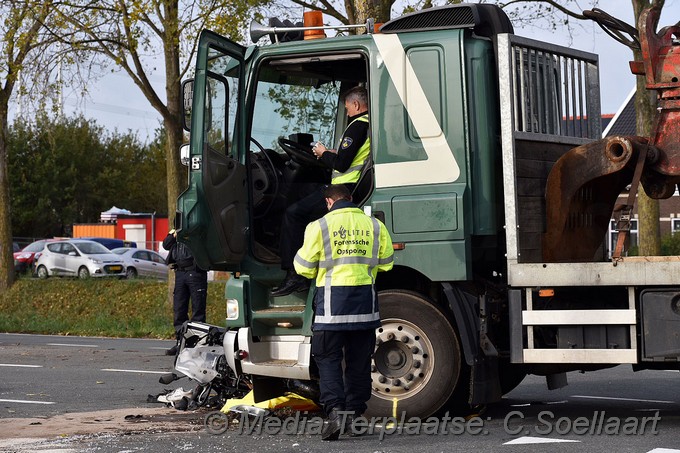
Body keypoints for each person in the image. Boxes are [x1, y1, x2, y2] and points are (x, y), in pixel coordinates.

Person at [293, 184, 393, 440]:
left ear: (329, 202)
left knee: (328, 361)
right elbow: (386, 264)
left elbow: (303, 267)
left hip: (331, 310)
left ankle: (336, 413)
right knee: (359, 364)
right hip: (364, 309)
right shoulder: (375, 226)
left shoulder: (319, 226)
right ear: (350, 199)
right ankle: (355, 416)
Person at [272, 85, 371, 297]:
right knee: (303, 191)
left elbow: (342, 164)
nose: (347, 112)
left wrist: (323, 152)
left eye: (347, 108)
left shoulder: (357, 126)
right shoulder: (368, 125)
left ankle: (294, 275)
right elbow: (350, 156)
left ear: (355, 104)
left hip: (342, 189)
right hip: (350, 186)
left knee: (292, 213)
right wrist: (333, 153)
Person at [163, 229, 208, 356]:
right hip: (180, 272)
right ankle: (180, 342)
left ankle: (196, 343)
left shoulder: (197, 226)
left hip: (195, 271)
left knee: (198, 310)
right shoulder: (175, 230)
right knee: (179, 309)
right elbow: (166, 244)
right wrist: (174, 235)